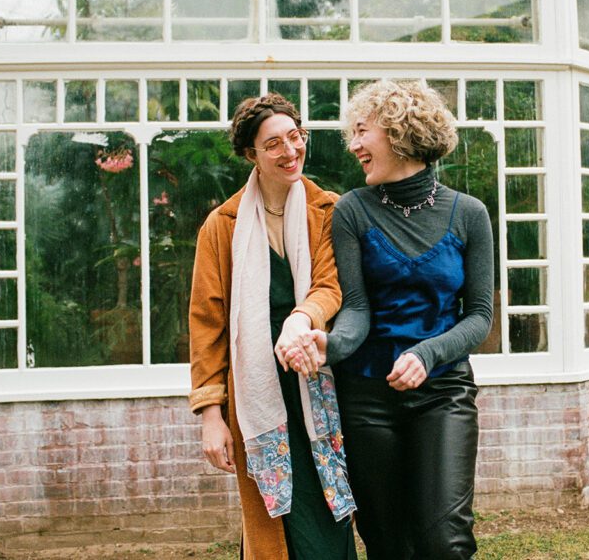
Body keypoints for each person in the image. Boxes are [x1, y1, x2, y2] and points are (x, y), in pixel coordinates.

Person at [286, 80, 493, 559]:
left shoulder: (469, 214)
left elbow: (479, 317)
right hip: (366, 398)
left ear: (400, 130)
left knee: (445, 540)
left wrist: (427, 352)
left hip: (443, 394)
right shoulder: (353, 210)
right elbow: (357, 310)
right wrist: (328, 345)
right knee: (385, 539)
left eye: (362, 131)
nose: (353, 144)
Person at [188, 93, 357, 560]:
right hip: (256, 398)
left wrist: (302, 320)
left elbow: (330, 285)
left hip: (320, 386)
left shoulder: (330, 211)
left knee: (328, 514)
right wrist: (210, 415)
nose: (290, 152)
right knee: (270, 522)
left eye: (295, 137)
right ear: (252, 155)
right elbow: (207, 325)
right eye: (274, 144)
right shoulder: (221, 227)